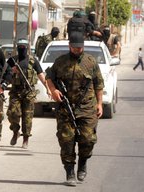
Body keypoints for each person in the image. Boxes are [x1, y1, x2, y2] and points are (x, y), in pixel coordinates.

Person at [45, 32, 104, 186]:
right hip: (65, 108)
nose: (78, 50)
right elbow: (49, 77)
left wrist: (99, 104)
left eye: (80, 47)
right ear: (69, 46)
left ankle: (83, 163)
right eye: (75, 47)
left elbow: (99, 84)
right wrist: (53, 90)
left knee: (88, 139)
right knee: (66, 141)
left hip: (87, 108)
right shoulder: (60, 62)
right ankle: (70, 172)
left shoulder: (90, 62)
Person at [7, 38, 50, 149]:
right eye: (19, 46)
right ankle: (15, 132)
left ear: (27, 48)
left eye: (23, 47)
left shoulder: (33, 61)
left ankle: (25, 138)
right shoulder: (12, 60)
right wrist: (12, 72)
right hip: (16, 91)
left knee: (27, 116)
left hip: (29, 92)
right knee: (13, 113)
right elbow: (6, 75)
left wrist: (48, 88)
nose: (21, 48)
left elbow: (41, 75)